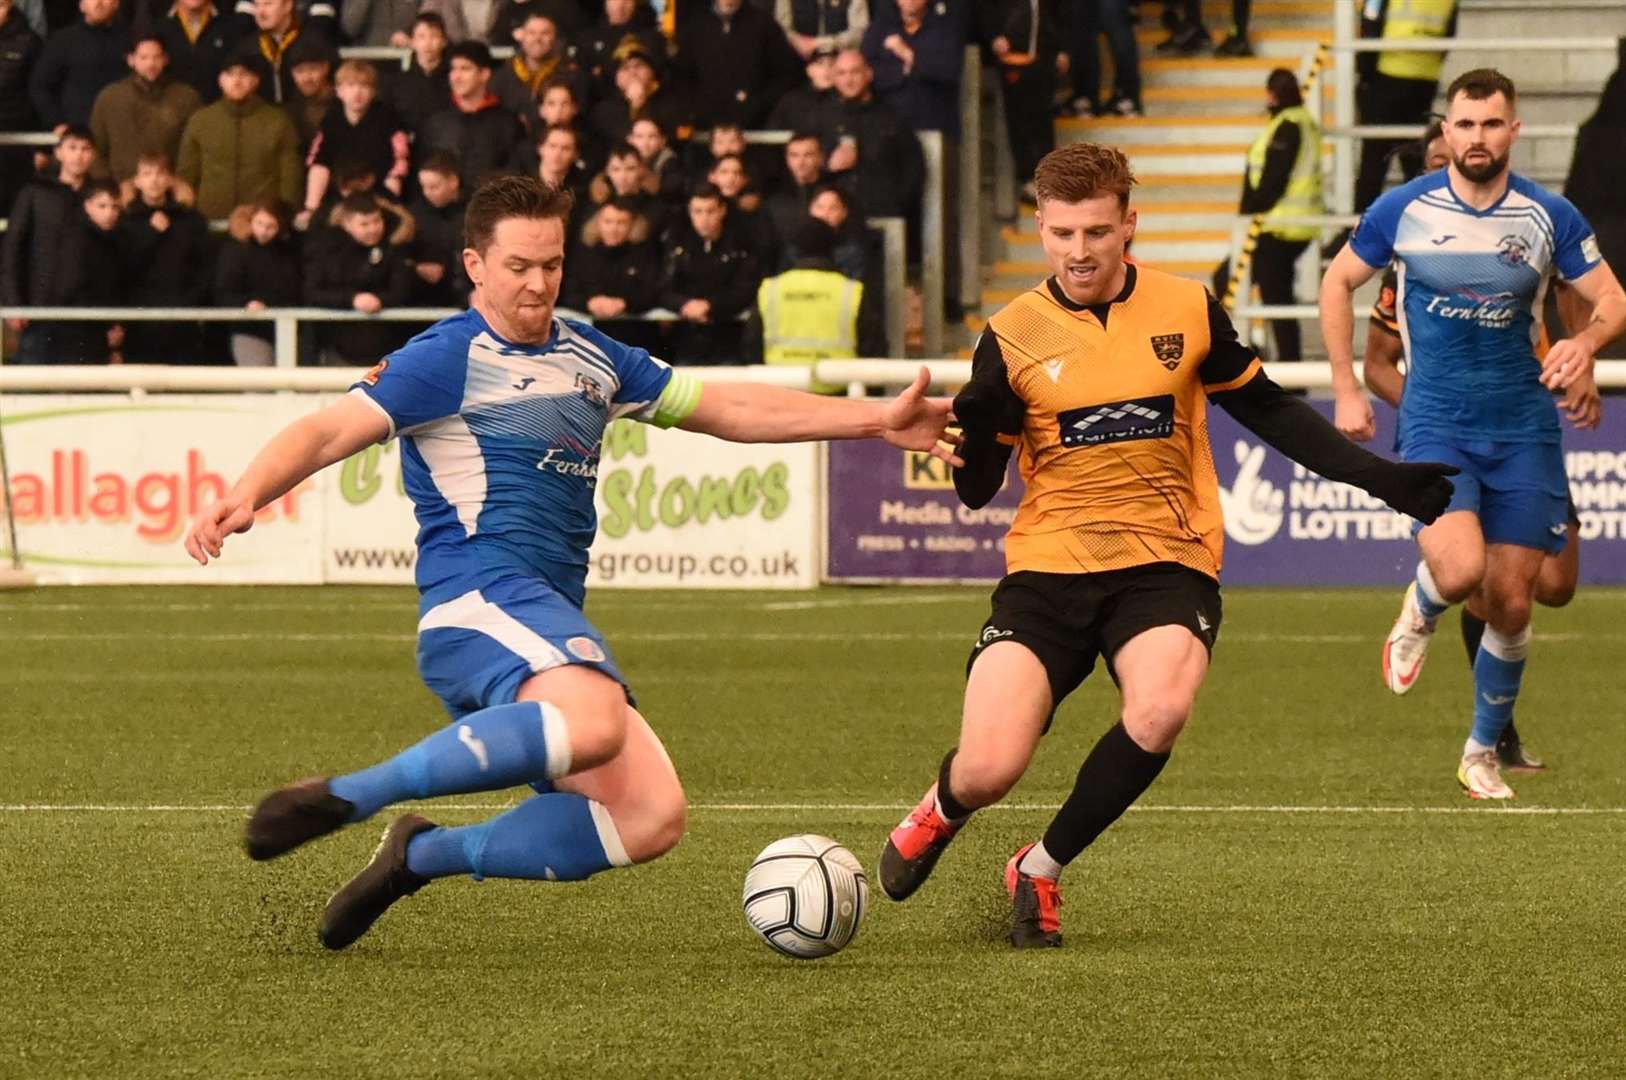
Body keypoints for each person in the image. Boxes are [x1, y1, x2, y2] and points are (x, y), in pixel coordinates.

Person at [182, 174, 957, 951]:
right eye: (518, 265)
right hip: (478, 600)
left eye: (551, 263)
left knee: (650, 818)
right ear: (474, 265)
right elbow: (325, 430)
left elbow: (730, 408)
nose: (538, 282)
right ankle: (351, 796)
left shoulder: (593, 354)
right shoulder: (447, 356)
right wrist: (247, 493)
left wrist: (876, 419)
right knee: (593, 721)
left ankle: (419, 854)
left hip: (546, 619)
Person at [878, 142, 1457, 948]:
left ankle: (1038, 869)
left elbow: (1271, 412)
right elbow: (977, 486)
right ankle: (943, 809)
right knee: (990, 767)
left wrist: (1380, 478)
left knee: (1159, 711)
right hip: (1049, 568)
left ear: (1129, 226)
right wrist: (963, 429)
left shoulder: (1187, 307)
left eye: (1096, 232)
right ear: (1042, 229)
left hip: (1167, 562)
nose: (1079, 252)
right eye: (1062, 234)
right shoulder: (1009, 336)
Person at [1320, 69, 1626, 800]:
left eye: (1492, 124)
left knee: (1519, 600)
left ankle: (1481, 751)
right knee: (1459, 573)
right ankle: (1420, 608)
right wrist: (1344, 386)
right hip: (1437, 420)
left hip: (1523, 426)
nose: (1477, 137)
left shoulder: (1549, 215)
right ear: (1447, 132)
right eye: (1465, 124)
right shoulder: (1403, 209)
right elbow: (1337, 283)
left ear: (1513, 130)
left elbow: (1611, 298)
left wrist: (1585, 348)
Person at [1361, 121, 1596, 775]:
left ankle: (1491, 725)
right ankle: (1493, 736)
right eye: (1434, 163)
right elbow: (1377, 362)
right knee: (1489, 581)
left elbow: (1581, 293)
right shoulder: (1409, 262)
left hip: (1523, 425)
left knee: (1556, 584)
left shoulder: (1524, 230)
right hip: (1451, 428)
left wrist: (1583, 365)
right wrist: (1429, 415)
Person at [1236, 67, 1321, 362]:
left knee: (1266, 295)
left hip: (1279, 225)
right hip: (1294, 224)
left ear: (1272, 93)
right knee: (1271, 295)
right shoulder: (1301, 121)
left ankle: (1283, 365)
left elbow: (1273, 178)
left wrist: (1250, 211)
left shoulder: (1287, 125)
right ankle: (1274, 357)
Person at [743, 216, 884, 380]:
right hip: (839, 386)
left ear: (796, 248)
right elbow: (873, 345)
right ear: (833, 248)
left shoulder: (771, 289)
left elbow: (751, 343)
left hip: (782, 385)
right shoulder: (850, 291)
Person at [1, 126, 97, 364]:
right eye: (72, 147)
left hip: (88, 315)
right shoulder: (35, 192)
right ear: (59, 152)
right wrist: (13, 302)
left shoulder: (102, 197)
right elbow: (12, 251)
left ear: (94, 155)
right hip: (39, 311)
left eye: (85, 149)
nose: (78, 155)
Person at [1352, 0, 1457, 213]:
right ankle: (1423, 221)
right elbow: (1449, 31)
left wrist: (1364, 72)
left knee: (1374, 159)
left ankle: (1359, 231)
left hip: (1387, 73)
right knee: (1415, 158)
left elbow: (1371, 19)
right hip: (1426, 75)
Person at [174, 54, 302, 219]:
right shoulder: (201, 120)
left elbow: (290, 176)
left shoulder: (278, 121)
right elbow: (186, 173)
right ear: (220, 80)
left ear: (256, 80)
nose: (237, 80)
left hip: (261, 222)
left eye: (244, 74)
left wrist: (285, 215)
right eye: (230, 74)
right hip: (208, 217)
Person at [302, 192, 416, 365]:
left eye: (377, 221)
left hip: (386, 348)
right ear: (347, 224)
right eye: (364, 224)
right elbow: (311, 292)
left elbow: (402, 291)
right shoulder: (326, 252)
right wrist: (352, 299)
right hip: (336, 345)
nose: (372, 229)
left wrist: (379, 300)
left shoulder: (394, 251)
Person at [119, 152, 211, 363]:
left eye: (160, 174)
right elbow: (124, 267)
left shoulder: (190, 220)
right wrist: (151, 234)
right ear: (137, 181)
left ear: (170, 180)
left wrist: (191, 302)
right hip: (139, 318)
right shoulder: (126, 220)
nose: (154, 180)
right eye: (147, 173)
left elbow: (204, 266)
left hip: (182, 316)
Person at [660, 181, 760, 364]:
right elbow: (663, 287)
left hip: (729, 338)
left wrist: (711, 305)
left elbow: (746, 288)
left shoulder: (741, 243)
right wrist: (684, 304)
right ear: (689, 212)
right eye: (697, 211)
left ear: (722, 210)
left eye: (710, 211)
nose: (704, 218)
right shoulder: (678, 244)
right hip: (687, 339)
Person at [88, 32, 201, 186]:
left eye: (156, 57)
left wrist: (181, 184)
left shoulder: (187, 98)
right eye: (143, 58)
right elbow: (95, 148)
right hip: (120, 189)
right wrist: (107, 187)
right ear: (131, 60)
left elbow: (195, 150)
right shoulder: (110, 97)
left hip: (169, 189)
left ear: (165, 59)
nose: (150, 64)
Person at [419, 40, 527, 192]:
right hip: (442, 211)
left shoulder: (507, 122)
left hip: (490, 208)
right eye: (453, 69)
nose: (456, 76)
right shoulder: (436, 122)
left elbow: (515, 173)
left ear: (484, 74)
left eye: (465, 69)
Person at [214, 198, 302, 366]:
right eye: (259, 223)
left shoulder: (290, 252)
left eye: (271, 226)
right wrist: (246, 304)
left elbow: (294, 289)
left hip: (287, 328)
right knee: (259, 384)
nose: (263, 231)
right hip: (249, 328)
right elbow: (223, 292)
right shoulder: (235, 250)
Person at [28, 0, 127, 131]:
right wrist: (57, 121)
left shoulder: (131, 41)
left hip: (121, 129)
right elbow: (40, 86)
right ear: (81, 5)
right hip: (75, 133)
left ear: (116, 4)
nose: (98, 3)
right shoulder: (63, 40)